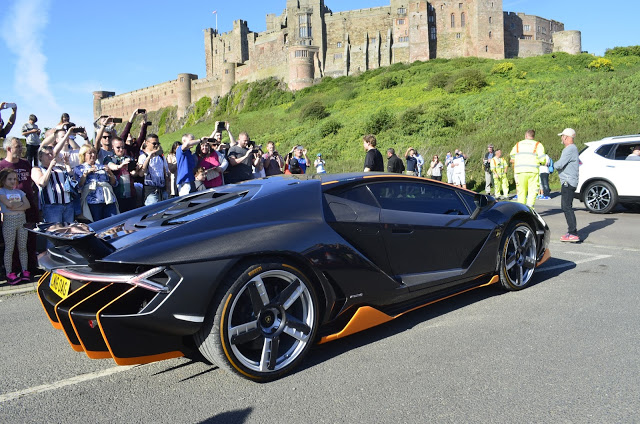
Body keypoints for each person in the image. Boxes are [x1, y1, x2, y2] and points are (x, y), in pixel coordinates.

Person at [1, 138, 39, 273]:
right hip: (11, 209)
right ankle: (14, 269)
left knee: (30, 237)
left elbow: (30, 182)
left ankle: (30, 267)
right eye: (17, 147)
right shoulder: (2, 165)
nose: (21, 149)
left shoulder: (25, 163)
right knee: (13, 243)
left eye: (21, 147)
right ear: (9, 149)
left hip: (28, 203)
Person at [31, 134, 76, 227]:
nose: (51, 156)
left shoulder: (60, 168)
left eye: (52, 154)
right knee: (55, 231)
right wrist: (50, 167)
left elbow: (73, 179)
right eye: (47, 154)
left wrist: (67, 164)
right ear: (40, 157)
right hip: (52, 206)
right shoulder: (37, 169)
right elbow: (42, 183)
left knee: (69, 231)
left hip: (68, 204)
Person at [0, 169, 31, 285]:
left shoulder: (20, 192)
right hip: (9, 221)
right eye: (10, 179)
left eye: (14, 179)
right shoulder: (1, 191)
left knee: (23, 247)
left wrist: (16, 206)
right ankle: (9, 273)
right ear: (3, 180)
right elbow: (8, 204)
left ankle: (25, 270)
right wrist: (20, 205)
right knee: (9, 248)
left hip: (22, 221)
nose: (13, 181)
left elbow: (27, 205)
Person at [74, 144, 118, 222]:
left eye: (94, 152)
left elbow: (114, 183)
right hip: (93, 201)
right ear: (83, 155)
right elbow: (78, 186)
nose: (93, 155)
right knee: (97, 224)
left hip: (108, 199)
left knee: (113, 223)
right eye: (90, 153)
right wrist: (86, 174)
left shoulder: (102, 166)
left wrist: (110, 173)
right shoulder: (79, 168)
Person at [555, 128, 580, 242]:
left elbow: (560, 164)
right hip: (570, 181)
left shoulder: (569, 149)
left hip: (568, 182)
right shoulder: (572, 148)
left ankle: (573, 233)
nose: (561, 138)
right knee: (566, 206)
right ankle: (572, 231)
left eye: (562, 136)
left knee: (566, 207)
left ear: (566, 137)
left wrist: (551, 164)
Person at [510, 129, 546, 207]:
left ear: (526, 135)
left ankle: (521, 209)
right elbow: (542, 159)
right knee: (532, 191)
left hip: (520, 171)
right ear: (533, 136)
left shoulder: (518, 144)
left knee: (521, 192)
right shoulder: (538, 145)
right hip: (533, 171)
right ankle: (530, 208)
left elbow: (512, 156)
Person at [104, 137, 137, 212]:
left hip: (131, 194)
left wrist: (137, 168)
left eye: (123, 147)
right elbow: (112, 166)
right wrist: (121, 165)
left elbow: (134, 173)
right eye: (118, 147)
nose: (121, 150)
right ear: (112, 147)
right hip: (117, 195)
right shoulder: (109, 158)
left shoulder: (129, 158)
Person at [137, 134, 170, 205]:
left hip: (162, 190)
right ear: (147, 143)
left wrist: (167, 190)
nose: (156, 145)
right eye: (154, 143)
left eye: (158, 143)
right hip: (151, 192)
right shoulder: (143, 157)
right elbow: (141, 174)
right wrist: (149, 157)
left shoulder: (161, 157)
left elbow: (166, 173)